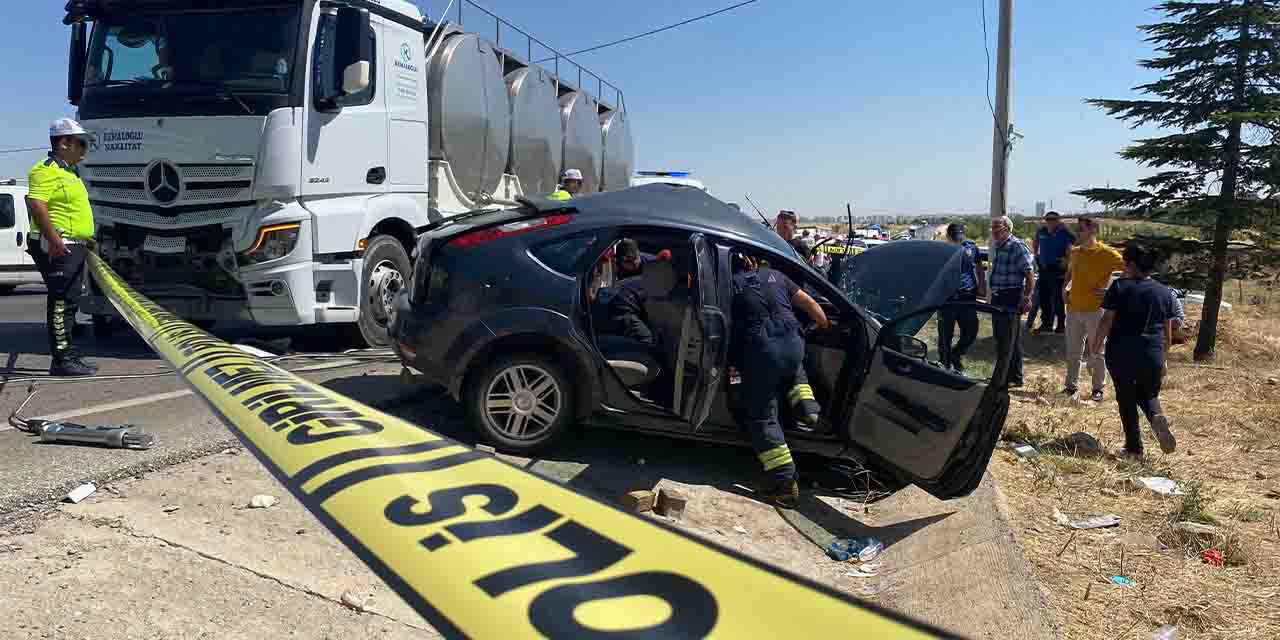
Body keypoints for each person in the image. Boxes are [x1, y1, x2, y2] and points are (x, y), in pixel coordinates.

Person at [728, 252, 829, 507]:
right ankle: (809, 411)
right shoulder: (778, 276)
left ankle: (784, 484)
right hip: (793, 343)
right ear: (752, 262)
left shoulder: (734, 285)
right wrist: (822, 325)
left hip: (762, 352)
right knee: (793, 369)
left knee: (762, 416)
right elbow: (812, 307)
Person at [26, 119, 98, 377]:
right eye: (81, 143)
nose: (85, 148)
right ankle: (61, 360)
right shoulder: (45, 170)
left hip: (73, 244)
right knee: (60, 302)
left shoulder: (70, 172)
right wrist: (54, 239)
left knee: (70, 300)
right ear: (64, 143)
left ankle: (68, 352)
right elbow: (37, 204)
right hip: (58, 246)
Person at [1089, 244, 1177, 456]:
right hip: (1152, 353)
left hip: (1122, 353)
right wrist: (1164, 357)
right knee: (1148, 394)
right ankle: (1155, 415)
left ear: (1132, 264)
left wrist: (1095, 347)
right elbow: (1168, 331)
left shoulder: (1119, 287)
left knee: (1126, 398)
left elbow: (1106, 320)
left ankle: (1134, 447)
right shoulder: (1165, 292)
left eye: (1126, 263)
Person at [1061, 217, 1125, 400]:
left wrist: (1111, 291)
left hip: (1096, 311)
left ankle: (1098, 389)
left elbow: (1130, 271)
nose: (1078, 233)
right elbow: (1070, 274)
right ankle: (1070, 387)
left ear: (1093, 231)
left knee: (1097, 352)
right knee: (1073, 351)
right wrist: (1064, 289)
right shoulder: (1075, 252)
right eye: (1077, 229)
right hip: (1074, 310)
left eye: (1081, 229)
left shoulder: (1107, 253)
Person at [987, 216, 1035, 387]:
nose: (994, 232)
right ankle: (1010, 375)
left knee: (1008, 338)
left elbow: (1029, 273)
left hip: (1011, 296)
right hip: (999, 296)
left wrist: (1027, 297)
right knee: (1003, 338)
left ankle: (1010, 376)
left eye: (997, 229)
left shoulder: (1016, 246)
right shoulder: (1000, 246)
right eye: (992, 229)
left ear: (1007, 229)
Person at [938, 223, 986, 373]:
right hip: (948, 297)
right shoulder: (943, 250)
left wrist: (982, 284)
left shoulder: (971, 247)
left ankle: (956, 354)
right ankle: (944, 364)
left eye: (960, 236)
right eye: (954, 236)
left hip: (967, 296)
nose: (958, 239)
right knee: (946, 334)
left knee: (971, 331)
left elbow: (979, 266)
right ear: (949, 236)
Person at [1032, 211, 1076, 334]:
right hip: (1044, 268)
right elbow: (1035, 242)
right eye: (1048, 219)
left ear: (1058, 220)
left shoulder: (1064, 232)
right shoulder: (1042, 231)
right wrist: (1036, 256)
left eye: (1053, 219)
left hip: (1058, 269)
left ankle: (1061, 325)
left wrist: (1067, 259)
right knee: (1044, 298)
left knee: (1058, 298)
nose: (1050, 222)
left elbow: (1076, 242)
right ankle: (1047, 324)